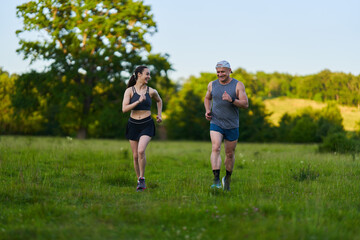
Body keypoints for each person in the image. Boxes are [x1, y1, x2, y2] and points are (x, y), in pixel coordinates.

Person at [204, 60, 249, 191]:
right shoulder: (212, 85)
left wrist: (232, 100)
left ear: (230, 71)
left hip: (232, 125)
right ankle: (216, 180)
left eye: (222, 71)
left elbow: (245, 104)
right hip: (216, 122)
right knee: (216, 147)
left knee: (229, 153)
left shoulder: (238, 85)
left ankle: (227, 179)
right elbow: (207, 98)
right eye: (218, 72)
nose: (220, 74)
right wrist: (207, 110)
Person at [122, 65, 162, 191]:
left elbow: (159, 101)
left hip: (147, 124)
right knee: (135, 156)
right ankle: (139, 180)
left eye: (149, 74)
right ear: (139, 74)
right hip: (133, 124)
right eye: (147, 74)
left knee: (140, 151)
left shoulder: (151, 91)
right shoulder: (129, 91)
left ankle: (142, 178)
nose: (149, 77)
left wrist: (159, 115)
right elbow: (124, 109)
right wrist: (138, 101)